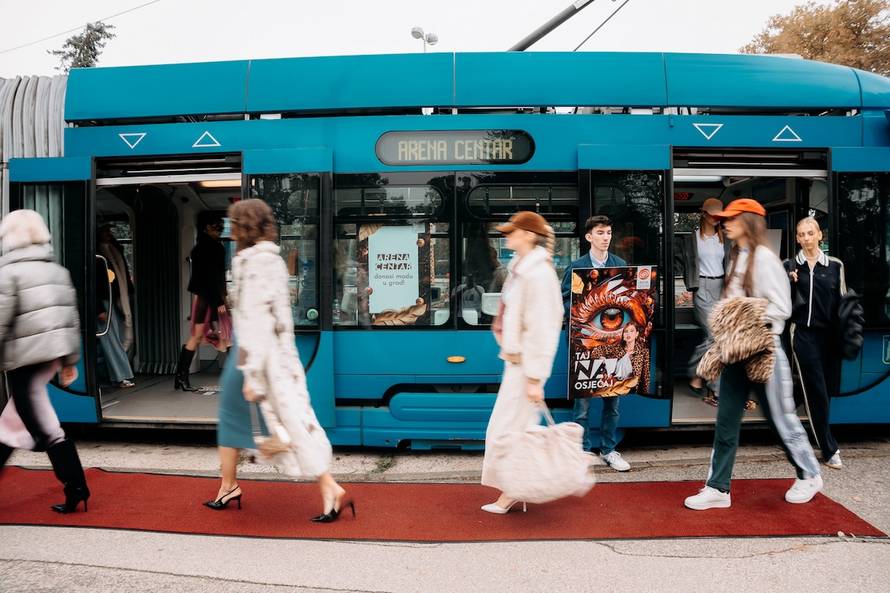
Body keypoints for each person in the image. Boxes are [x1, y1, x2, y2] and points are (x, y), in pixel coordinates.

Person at [204, 199, 352, 523]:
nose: (229, 230)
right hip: (273, 355)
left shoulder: (252, 263)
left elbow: (256, 323)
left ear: (243, 227)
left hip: (257, 358)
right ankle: (229, 485)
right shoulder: (271, 259)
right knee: (285, 420)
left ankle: (329, 487)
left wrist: (253, 377)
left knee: (285, 423)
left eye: (233, 224)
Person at [684, 198, 823, 511]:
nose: (726, 223)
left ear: (749, 221)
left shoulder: (764, 258)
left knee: (780, 419)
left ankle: (809, 474)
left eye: (732, 219)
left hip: (763, 351)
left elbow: (782, 308)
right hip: (737, 351)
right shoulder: (739, 257)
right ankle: (718, 488)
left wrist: (742, 315)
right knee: (726, 420)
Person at [0, 210, 89, 513]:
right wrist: (69, 360)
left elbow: (0, 320)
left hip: (24, 359)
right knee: (11, 425)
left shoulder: (8, 272)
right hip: (49, 356)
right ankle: (77, 487)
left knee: (47, 428)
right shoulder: (57, 271)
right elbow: (70, 319)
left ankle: (77, 487)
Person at [480, 211, 563, 514]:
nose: (507, 236)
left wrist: (535, 379)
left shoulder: (538, 274)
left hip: (527, 367)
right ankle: (516, 490)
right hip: (516, 363)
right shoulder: (521, 269)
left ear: (528, 235)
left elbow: (545, 327)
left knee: (510, 430)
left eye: (513, 231)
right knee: (511, 429)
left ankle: (514, 491)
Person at [561, 215, 630, 472]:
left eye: (609, 232)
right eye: (600, 233)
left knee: (613, 400)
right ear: (589, 237)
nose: (606, 237)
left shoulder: (620, 265)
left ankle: (609, 450)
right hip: (586, 343)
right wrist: (583, 311)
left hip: (614, 342)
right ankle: (582, 451)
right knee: (583, 403)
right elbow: (565, 301)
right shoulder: (576, 267)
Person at [784, 217, 846, 469]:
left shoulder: (835, 266)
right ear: (797, 238)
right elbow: (780, 302)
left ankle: (787, 418)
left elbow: (843, 299)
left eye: (810, 233)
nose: (806, 238)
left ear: (820, 235)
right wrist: (788, 282)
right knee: (817, 390)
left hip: (829, 336)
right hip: (803, 334)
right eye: (801, 234)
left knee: (826, 388)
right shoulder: (789, 265)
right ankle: (829, 448)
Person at [675, 198, 730, 406]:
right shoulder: (692, 239)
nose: (716, 219)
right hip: (702, 290)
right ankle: (714, 387)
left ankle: (698, 376)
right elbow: (681, 264)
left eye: (720, 215)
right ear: (704, 214)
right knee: (715, 337)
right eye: (713, 214)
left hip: (722, 289)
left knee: (718, 338)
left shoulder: (725, 238)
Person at [175, 213, 228, 391]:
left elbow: (205, 278)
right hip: (211, 298)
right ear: (206, 227)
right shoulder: (215, 248)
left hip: (203, 298)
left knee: (199, 336)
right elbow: (213, 278)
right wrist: (220, 300)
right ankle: (237, 378)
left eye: (220, 225)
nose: (219, 229)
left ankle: (180, 377)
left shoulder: (198, 248)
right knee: (227, 334)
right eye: (216, 226)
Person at [96, 224, 136, 389]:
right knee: (111, 338)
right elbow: (92, 283)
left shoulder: (109, 250)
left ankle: (113, 373)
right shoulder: (99, 253)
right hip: (104, 300)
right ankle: (120, 376)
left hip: (113, 297)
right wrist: (98, 308)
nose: (109, 234)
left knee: (116, 337)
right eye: (105, 231)